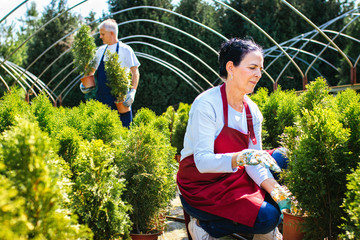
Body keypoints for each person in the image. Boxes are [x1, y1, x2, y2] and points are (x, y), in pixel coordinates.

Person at [176, 38, 291, 240]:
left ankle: (254, 220)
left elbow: (255, 164)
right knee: (267, 218)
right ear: (231, 68)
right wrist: (240, 157)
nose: (258, 74)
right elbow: (202, 162)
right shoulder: (207, 104)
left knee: (283, 158)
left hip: (233, 178)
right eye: (252, 67)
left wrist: (278, 193)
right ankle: (205, 227)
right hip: (201, 187)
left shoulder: (252, 111)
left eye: (260, 69)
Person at [81, 19, 140, 128]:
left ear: (112, 33)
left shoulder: (126, 50)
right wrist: (85, 84)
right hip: (102, 99)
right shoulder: (100, 51)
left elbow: (135, 72)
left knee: (124, 129)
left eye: (102, 34)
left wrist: (132, 92)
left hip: (121, 100)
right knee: (102, 131)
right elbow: (91, 71)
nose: (100, 37)